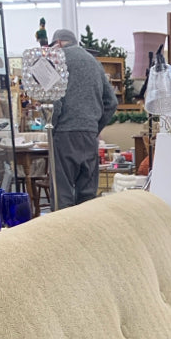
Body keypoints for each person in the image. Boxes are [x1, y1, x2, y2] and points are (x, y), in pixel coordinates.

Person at [48, 29, 119, 209]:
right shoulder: (94, 63)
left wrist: (52, 128)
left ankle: (61, 236)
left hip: (64, 134)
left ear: (58, 43)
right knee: (87, 196)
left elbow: (54, 103)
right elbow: (111, 102)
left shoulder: (58, 60)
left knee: (61, 194)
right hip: (89, 137)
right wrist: (94, 127)